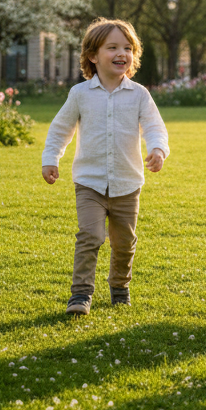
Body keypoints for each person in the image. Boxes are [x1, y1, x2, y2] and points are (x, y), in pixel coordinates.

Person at [42, 18, 170, 316]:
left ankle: (120, 287)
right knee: (91, 236)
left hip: (127, 183)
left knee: (124, 242)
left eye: (127, 48)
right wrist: (51, 158)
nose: (121, 53)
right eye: (112, 47)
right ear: (92, 55)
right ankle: (81, 294)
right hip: (90, 183)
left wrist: (158, 149)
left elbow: (154, 126)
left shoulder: (139, 94)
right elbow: (61, 128)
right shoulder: (80, 94)